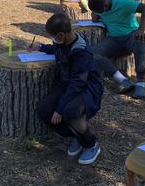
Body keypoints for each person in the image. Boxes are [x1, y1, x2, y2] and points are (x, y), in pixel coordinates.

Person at [35, 14, 104, 165]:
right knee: (43, 110)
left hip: (87, 87)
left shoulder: (81, 51)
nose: (53, 40)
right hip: (67, 84)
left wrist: (59, 109)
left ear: (61, 34)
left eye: (53, 36)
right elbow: (57, 49)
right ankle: (76, 136)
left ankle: (91, 144)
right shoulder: (62, 41)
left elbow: (78, 83)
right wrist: (40, 47)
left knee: (69, 111)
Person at [87, 0, 145, 99]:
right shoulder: (100, 7)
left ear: (106, 4)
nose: (102, 13)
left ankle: (140, 83)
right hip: (113, 39)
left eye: (102, 10)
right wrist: (95, 14)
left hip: (131, 35)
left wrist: (141, 29)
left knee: (140, 45)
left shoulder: (122, 3)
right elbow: (95, 19)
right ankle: (122, 80)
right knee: (93, 53)